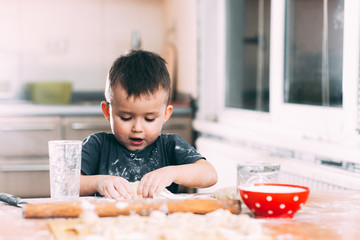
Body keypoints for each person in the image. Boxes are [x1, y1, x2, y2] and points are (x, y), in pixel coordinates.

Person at [80, 49, 217, 199]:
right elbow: (66, 182)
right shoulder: (98, 145)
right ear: (107, 112)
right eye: (126, 117)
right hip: (106, 221)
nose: (137, 128)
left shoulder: (169, 145)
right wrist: (98, 182)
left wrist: (172, 173)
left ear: (165, 115)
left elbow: (209, 174)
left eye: (149, 119)